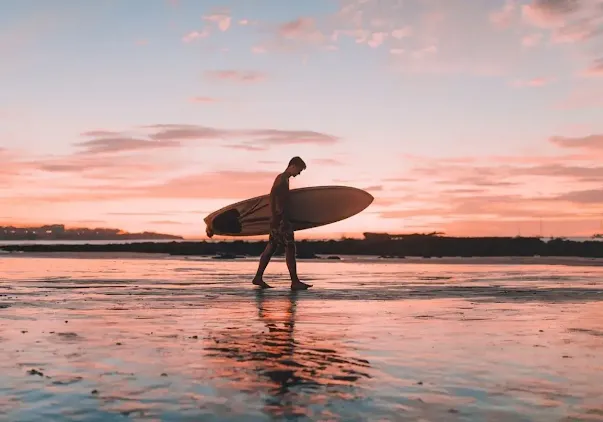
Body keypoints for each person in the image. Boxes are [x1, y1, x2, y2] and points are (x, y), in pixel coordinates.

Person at [252, 157, 312, 290]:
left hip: (276, 219)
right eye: (299, 170)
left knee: (271, 247)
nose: (299, 173)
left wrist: (274, 217)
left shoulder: (282, 178)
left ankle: (258, 277)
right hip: (281, 220)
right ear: (293, 166)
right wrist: (282, 219)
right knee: (290, 248)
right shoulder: (282, 179)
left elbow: (273, 198)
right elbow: (278, 200)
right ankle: (295, 281)